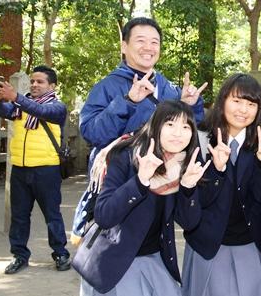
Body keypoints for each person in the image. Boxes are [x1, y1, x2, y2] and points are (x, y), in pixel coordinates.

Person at [75, 17, 206, 238]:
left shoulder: (168, 88)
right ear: (124, 46)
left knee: (156, 242)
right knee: (118, 246)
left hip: (162, 187)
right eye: (140, 40)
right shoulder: (107, 87)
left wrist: (190, 106)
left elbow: (189, 134)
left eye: (154, 42)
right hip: (121, 187)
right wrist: (128, 101)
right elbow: (92, 133)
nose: (148, 47)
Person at [76, 100, 208, 296]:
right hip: (116, 261)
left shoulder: (183, 164)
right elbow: (105, 215)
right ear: (156, 125)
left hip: (156, 258)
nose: (178, 133)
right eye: (170, 124)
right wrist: (140, 181)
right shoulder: (126, 156)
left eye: (186, 127)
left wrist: (187, 188)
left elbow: (189, 222)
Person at [181, 74, 261, 296]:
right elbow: (198, 199)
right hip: (210, 242)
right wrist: (217, 169)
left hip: (248, 240)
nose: (243, 110)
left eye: (251, 104)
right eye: (237, 101)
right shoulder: (201, 138)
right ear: (223, 100)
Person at [0, 66, 71, 274]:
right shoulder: (21, 107)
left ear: (52, 86)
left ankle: (60, 253)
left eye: (40, 82)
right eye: (32, 81)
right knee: (19, 216)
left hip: (47, 170)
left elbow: (41, 112)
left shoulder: (57, 107)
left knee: (52, 214)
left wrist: (15, 97)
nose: (34, 85)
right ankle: (19, 256)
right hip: (20, 169)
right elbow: (4, 110)